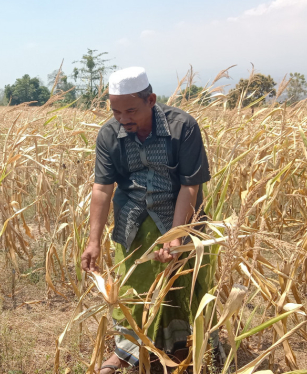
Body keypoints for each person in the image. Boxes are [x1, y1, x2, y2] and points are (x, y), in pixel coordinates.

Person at [80, 67, 213, 373]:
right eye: (115, 110)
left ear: (151, 99)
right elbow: (102, 188)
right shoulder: (109, 135)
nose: (123, 118)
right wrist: (93, 241)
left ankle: (184, 349)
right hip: (133, 219)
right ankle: (128, 349)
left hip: (179, 214)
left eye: (131, 110)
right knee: (134, 285)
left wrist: (176, 236)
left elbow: (189, 185)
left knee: (182, 286)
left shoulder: (183, 127)